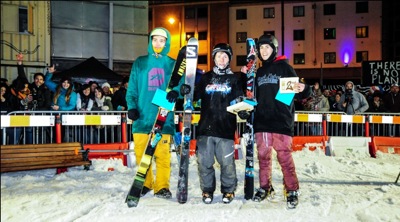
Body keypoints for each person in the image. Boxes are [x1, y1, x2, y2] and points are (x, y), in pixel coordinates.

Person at [242, 34, 311, 208]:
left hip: (281, 121)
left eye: (267, 47)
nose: (264, 51)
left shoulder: (284, 67)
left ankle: (292, 189)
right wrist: (245, 76)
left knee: (284, 158)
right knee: (263, 157)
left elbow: (299, 92)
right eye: (261, 48)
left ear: (274, 49)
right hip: (262, 122)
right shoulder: (258, 72)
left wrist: (305, 88)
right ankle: (265, 187)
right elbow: (251, 95)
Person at [126, 27, 183, 199]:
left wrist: (177, 91)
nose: (158, 43)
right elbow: (132, 88)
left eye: (162, 40)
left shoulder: (172, 63)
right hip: (142, 117)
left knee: (162, 155)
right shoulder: (140, 62)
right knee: (142, 154)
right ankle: (146, 183)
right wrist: (132, 107)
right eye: (155, 39)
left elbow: (181, 84)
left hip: (163, 117)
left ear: (167, 43)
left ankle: (162, 187)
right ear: (150, 41)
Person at [194, 43, 244, 204]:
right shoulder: (206, 77)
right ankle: (207, 190)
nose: (221, 59)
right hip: (206, 128)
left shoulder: (234, 79)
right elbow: (195, 96)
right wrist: (185, 91)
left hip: (225, 128)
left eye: (225, 56)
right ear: (214, 58)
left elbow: (239, 99)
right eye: (218, 56)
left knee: (227, 163)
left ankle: (228, 191)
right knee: (204, 163)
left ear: (229, 59)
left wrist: (243, 110)